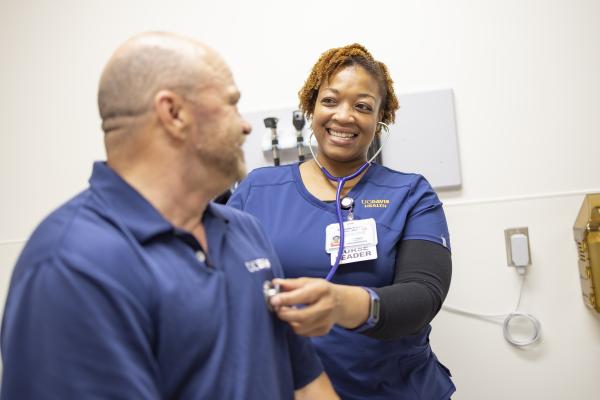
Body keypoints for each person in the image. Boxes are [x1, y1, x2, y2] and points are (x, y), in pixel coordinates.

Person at [0, 32, 339, 400]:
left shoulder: (244, 232)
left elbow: (305, 385)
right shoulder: (72, 265)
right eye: (231, 104)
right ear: (173, 113)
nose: (245, 125)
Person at [228, 43, 456, 399]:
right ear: (311, 107)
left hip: (394, 390)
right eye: (330, 101)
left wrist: (341, 304)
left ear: (381, 119)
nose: (344, 116)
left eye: (362, 106)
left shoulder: (410, 194)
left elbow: (423, 296)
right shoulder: (257, 190)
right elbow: (221, 283)